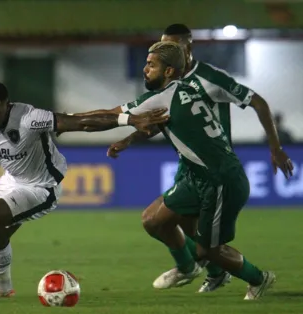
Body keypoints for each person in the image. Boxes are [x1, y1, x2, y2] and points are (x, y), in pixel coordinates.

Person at [0, 81, 168, 299]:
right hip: (11, 180)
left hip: (42, 187)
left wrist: (129, 119)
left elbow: (81, 122)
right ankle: (2, 287)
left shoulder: (30, 119)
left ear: (6, 106)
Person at [91, 41, 292, 300]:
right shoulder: (187, 90)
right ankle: (188, 267)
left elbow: (109, 115)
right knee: (153, 220)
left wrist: (66, 120)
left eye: (151, 65)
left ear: (169, 71)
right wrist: (128, 140)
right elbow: (158, 123)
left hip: (219, 180)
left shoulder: (171, 93)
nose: (145, 70)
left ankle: (258, 278)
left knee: (210, 250)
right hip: (196, 176)